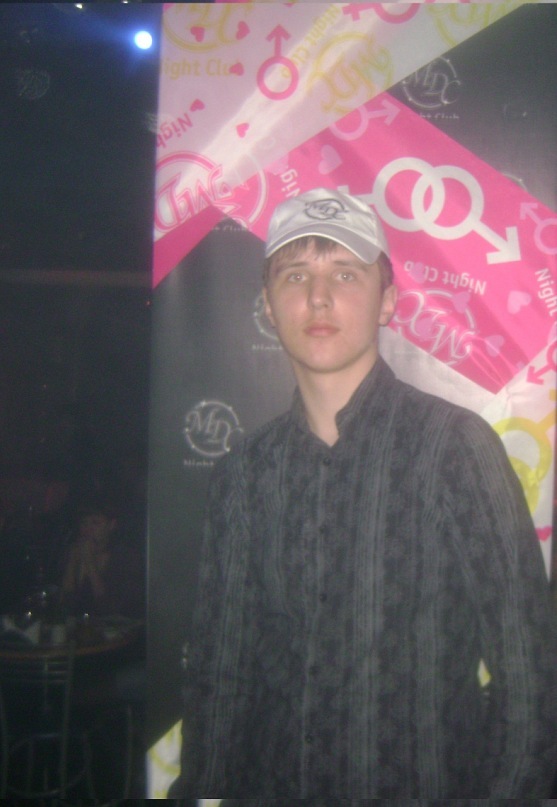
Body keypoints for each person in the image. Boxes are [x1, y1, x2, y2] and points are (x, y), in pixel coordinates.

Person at [170, 188, 557, 798]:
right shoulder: (244, 472)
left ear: (388, 300)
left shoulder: (455, 450)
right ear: (268, 304)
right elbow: (223, 667)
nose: (318, 297)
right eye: (296, 275)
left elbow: (530, 669)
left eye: (346, 273)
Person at [60, 497, 144, 619]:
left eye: (95, 523)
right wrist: (72, 563)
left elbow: (111, 609)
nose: (88, 530)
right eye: (84, 523)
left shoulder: (124, 559)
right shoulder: (72, 553)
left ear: (112, 525)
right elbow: (64, 607)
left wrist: (90, 564)